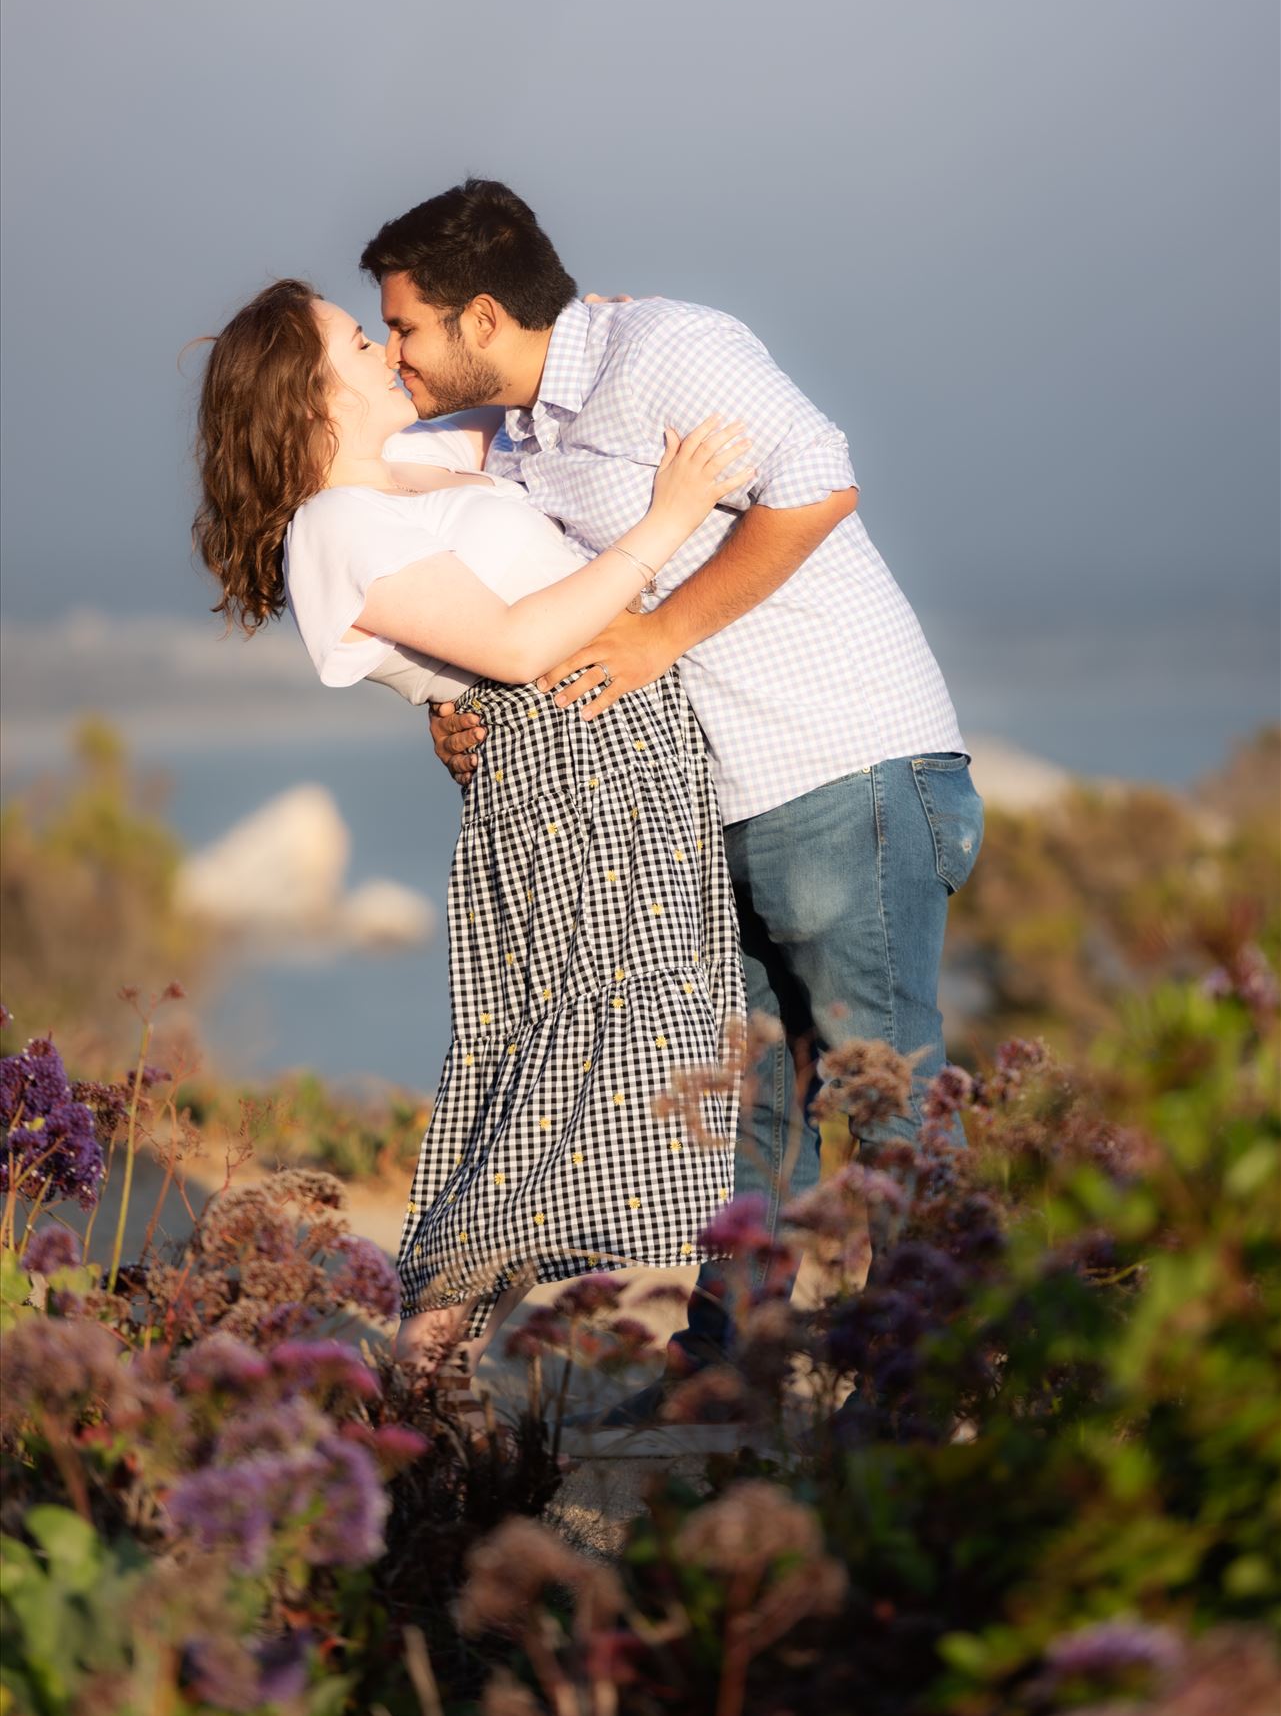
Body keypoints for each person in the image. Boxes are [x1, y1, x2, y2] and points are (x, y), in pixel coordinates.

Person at [358, 179, 985, 1418]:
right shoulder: (530, 432)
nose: (396, 352)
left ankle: (938, 1381)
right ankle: (731, 1380)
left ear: (483, 315)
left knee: (885, 1089)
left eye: (409, 328)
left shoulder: (669, 348)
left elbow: (819, 483)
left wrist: (659, 639)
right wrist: (454, 707)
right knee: (749, 1107)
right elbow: (477, 586)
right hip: (714, 809)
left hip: (842, 766)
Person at [191, 277, 752, 1378]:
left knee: (638, 1035)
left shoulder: (416, 469)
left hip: (625, 758)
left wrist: (587, 328)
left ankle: (450, 1356)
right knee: (559, 1055)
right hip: (565, 773)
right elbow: (511, 647)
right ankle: (431, 1350)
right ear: (312, 396)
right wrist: (669, 525)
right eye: (362, 340)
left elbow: (523, 412)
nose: (388, 349)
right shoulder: (334, 525)